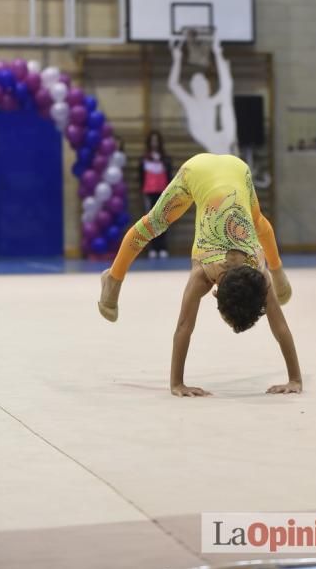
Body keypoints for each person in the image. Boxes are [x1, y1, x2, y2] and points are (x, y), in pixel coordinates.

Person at [98, 153, 302, 398]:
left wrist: (295, 379)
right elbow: (184, 327)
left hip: (239, 170)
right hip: (197, 171)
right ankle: (113, 278)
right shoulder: (203, 273)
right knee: (153, 224)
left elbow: (278, 325)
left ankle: (278, 271)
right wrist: (177, 384)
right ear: (214, 291)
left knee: (256, 221)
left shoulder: (258, 276)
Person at [168, 36, 237, 155]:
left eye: (203, 83)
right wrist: (177, 59)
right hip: (206, 136)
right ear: (193, 89)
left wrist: (218, 53)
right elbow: (173, 84)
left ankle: (227, 159)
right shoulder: (190, 102)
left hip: (220, 137)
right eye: (197, 84)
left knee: (226, 100)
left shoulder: (214, 102)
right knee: (225, 99)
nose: (201, 87)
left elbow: (227, 85)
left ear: (209, 87)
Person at [139, 130, 172, 258]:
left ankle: (163, 247)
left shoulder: (165, 159)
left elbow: (170, 177)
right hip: (149, 192)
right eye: (152, 140)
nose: (154, 143)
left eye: (156, 140)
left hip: (163, 193)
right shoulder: (144, 159)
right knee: (150, 220)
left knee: (163, 220)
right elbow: (141, 177)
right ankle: (153, 247)